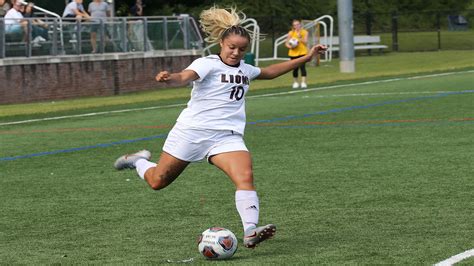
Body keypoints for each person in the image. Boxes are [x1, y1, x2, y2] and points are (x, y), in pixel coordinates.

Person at [114, 6, 326, 249]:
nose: (236, 53)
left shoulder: (245, 69)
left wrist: (307, 57)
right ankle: (139, 160)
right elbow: (185, 76)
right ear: (221, 44)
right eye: (231, 47)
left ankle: (250, 231)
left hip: (227, 138)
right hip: (191, 133)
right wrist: (170, 78)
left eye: (242, 49)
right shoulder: (208, 64)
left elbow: (269, 71)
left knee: (245, 176)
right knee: (157, 181)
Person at [285, 19, 309, 89]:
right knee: (295, 68)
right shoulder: (291, 33)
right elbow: (286, 43)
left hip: (302, 52)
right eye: (295, 25)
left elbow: (305, 42)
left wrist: (299, 37)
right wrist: (290, 46)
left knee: (302, 67)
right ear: (293, 26)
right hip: (293, 53)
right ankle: (295, 82)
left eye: (298, 24)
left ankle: (303, 82)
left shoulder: (304, 32)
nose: (297, 26)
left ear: (300, 25)